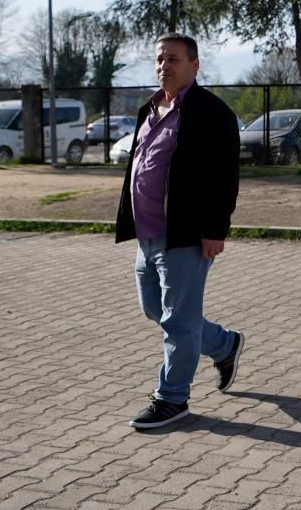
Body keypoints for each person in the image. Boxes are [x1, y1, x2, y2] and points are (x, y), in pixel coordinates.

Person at [116, 33, 245, 430]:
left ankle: (173, 398)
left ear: (194, 64)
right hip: (148, 234)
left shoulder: (210, 112)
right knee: (156, 309)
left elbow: (225, 176)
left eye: (173, 59)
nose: (164, 66)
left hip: (185, 235)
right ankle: (224, 344)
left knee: (178, 320)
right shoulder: (150, 108)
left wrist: (215, 229)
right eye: (160, 59)